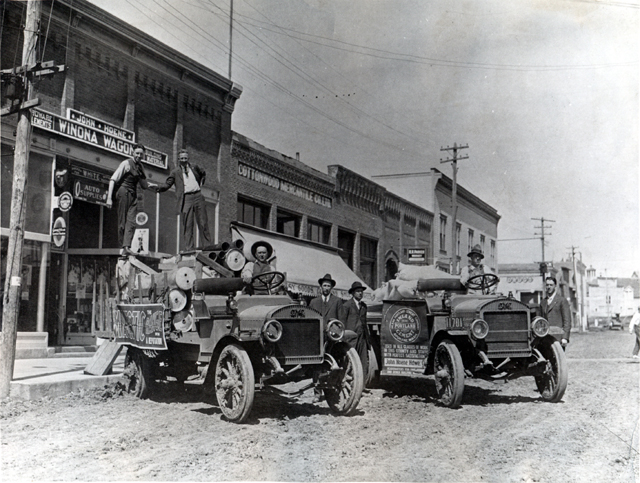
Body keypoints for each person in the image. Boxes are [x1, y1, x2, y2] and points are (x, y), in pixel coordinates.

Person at [154, 149, 212, 251]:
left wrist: (201, 183)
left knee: (203, 222)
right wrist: (156, 187)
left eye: (185, 158)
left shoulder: (194, 167)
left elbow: (203, 173)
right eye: (182, 158)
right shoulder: (175, 172)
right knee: (188, 224)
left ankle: (207, 247)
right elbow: (167, 184)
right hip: (186, 198)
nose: (184, 160)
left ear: (188, 158)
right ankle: (189, 249)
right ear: (178, 159)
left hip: (198, 196)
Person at [106, 144, 156, 256]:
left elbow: (144, 185)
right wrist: (109, 198)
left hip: (133, 195)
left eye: (141, 154)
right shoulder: (126, 163)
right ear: (133, 153)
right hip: (123, 192)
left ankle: (127, 246)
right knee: (122, 221)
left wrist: (153, 186)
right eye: (137, 153)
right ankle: (122, 247)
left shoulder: (141, 167)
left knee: (131, 222)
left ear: (144, 155)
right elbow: (113, 180)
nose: (139, 156)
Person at [308, 273, 343, 403]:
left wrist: (337, 335)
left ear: (331, 288)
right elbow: (310, 320)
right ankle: (317, 393)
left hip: (331, 339)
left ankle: (331, 391)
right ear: (321, 287)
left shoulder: (337, 301)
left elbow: (340, 321)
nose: (326, 288)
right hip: (317, 338)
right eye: (324, 285)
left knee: (331, 365)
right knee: (317, 365)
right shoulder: (314, 302)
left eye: (328, 286)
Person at [341, 281, 370, 381]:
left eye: (361, 291)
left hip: (362, 337)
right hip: (351, 338)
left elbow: (364, 322)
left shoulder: (364, 306)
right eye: (358, 291)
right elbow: (343, 322)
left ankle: (362, 384)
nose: (360, 293)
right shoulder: (347, 305)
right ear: (353, 293)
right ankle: (349, 382)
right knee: (350, 361)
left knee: (363, 361)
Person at [540, 276, 571, 349]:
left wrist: (565, 337)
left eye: (551, 285)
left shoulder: (562, 301)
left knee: (557, 356)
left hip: (558, 339)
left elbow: (567, 321)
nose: (549, 287)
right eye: (547, 285)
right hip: (545, 338)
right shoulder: (543, 302)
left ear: (555, 286)